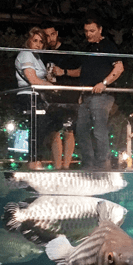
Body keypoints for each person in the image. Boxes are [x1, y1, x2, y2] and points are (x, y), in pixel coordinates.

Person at [66, 14, 124, 170]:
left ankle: (102, 164)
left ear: (100, 29)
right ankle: (89, 163)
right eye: (86, 31)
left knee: (99, 129)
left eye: (92, 30)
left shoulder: (108, 46)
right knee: (81, 129)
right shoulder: (88, 48)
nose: (88, 34)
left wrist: (104, 83)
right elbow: (82, 71)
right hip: (86, 95)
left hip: (102, 95)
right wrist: (64, 72)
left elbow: (119, 68)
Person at [14, 27, 58, 170]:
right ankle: (32, 162)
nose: (38, 44)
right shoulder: (26, 54)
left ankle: (35, 160)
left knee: (42, 129)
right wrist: (50, 85)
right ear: (29, 41)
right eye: (35, 41)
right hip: (27, 97)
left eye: (41, 42)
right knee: (35, 129)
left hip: (36, 96)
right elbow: (32, 79)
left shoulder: (37, 57)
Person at [39, 21, 81, 170]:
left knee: (69, 131)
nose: (50, 38)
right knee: (53, 131)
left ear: (57, 34)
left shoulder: (69, 50)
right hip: (51, 98)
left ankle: (66, 166)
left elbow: (82, 71)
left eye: (52, 34)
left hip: (69, 96)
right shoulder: (42, 54)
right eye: (46, 36)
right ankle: (58, 167)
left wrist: (64, 72)